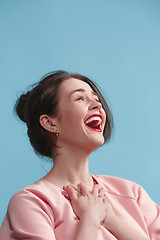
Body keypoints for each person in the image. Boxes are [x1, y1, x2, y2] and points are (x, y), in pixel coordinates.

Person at [0, 71, 159, 240]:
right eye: (80, 99)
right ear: (50, 123)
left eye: (97, 100)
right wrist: (90, 220)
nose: (97, 105)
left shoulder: (132, 194)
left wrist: (110, 219)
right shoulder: (32, 202)